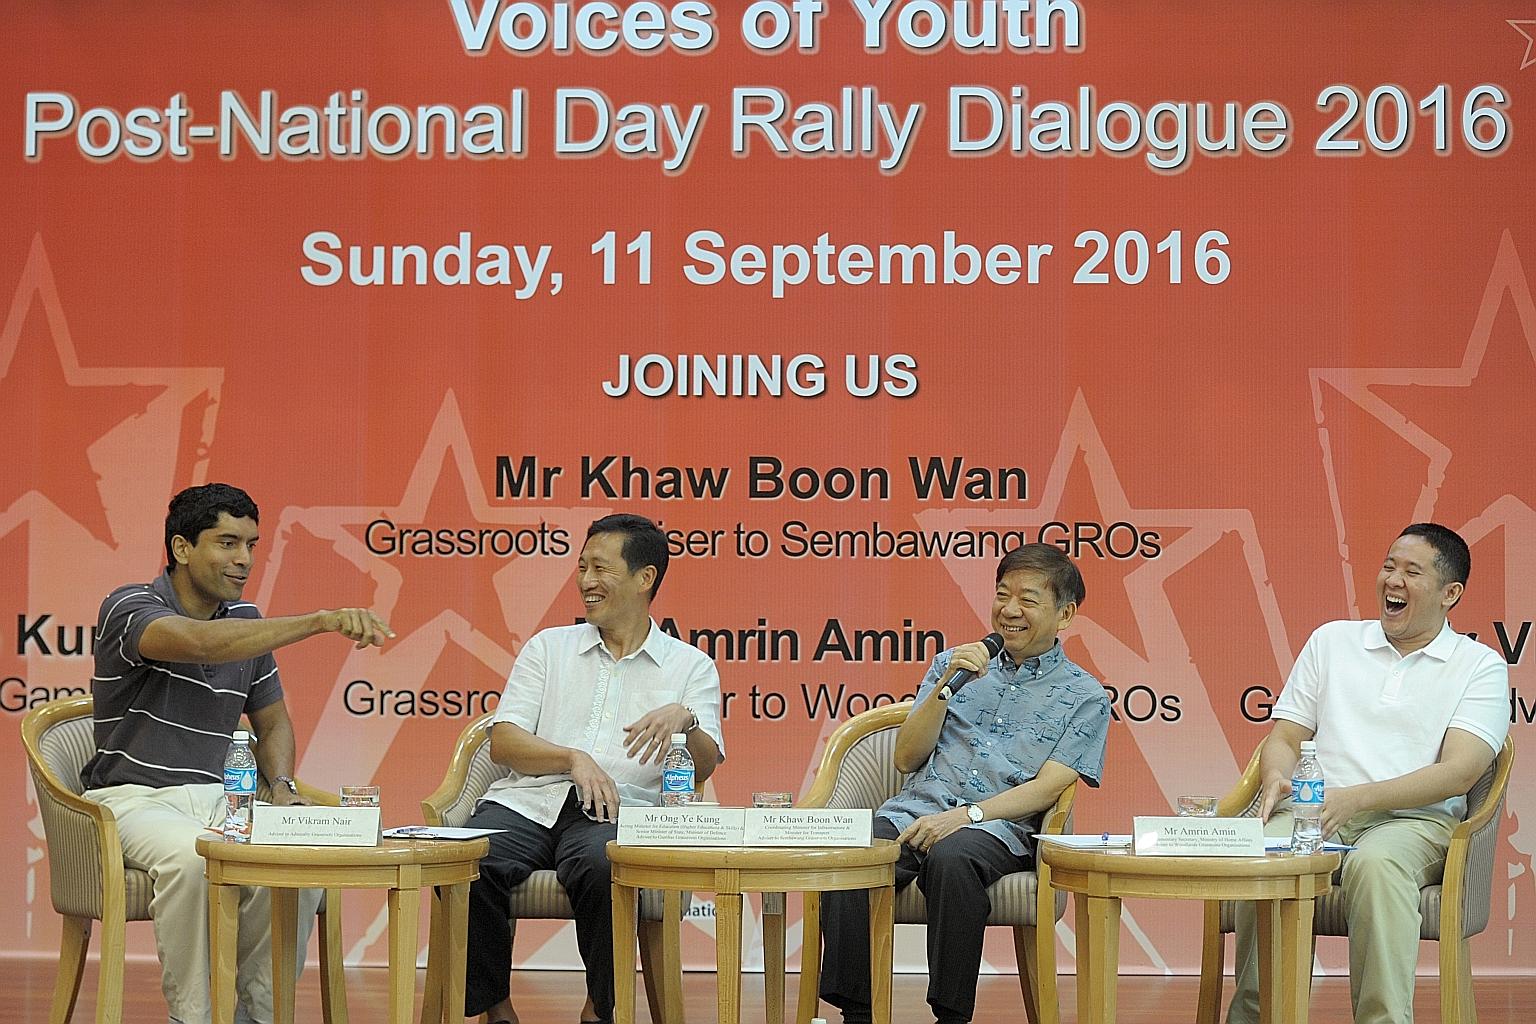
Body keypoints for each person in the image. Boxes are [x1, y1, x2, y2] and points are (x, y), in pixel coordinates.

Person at [83, 483, 394, 1024]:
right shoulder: (129, 605)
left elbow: (272, 721)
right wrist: (320, 621)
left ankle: (259, 1015)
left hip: (220, 801)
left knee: (297, 868)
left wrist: (282, 789)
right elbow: (201, 643)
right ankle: (196, 1017)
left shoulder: (246, 620)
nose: (244, 559)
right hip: (131, 799)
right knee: (192, 857)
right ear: (182, 548)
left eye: (251, 544)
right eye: (227, 543)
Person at [1227, 523, 1509, 1024]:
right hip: (1314, 814)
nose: (1392, 580)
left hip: (1414, 824)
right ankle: (1256, 1016)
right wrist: (1275, 775)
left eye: (1411, 571)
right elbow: (1286, 736)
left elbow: (1460, 773)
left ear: (1451, 594)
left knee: (1376, 865)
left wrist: (1357, 799)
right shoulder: (1332, 641)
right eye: (1388, 566)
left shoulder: (1478, 666)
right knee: (1266, 860)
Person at [818, 543, 1111, 1024]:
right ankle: (857, 1013)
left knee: (953, 857)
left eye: (1029, 600)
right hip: (916, 811)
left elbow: (1048, 788)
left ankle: (951, 1016)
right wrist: (947, 684)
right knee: (853, 851)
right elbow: (907, 754)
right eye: (1002, 594)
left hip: (1001, 828)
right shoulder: (954, 664)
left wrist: (967, 816)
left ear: (1065, 614)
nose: (1009, 610)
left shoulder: (1084, 695)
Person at [462, 513, 726, 1024]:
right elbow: (504, 741)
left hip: (617, 813)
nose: (585, 581)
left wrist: (686, 720)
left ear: (644, 578)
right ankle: (495, 1010)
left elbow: (704, 766)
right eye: (582, 567)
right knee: (473, 858)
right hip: (529, 801)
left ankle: (600, 1011)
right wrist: (571, 759)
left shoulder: (689, 666)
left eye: (600, 568)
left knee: (604, 867)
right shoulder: (548, 648)